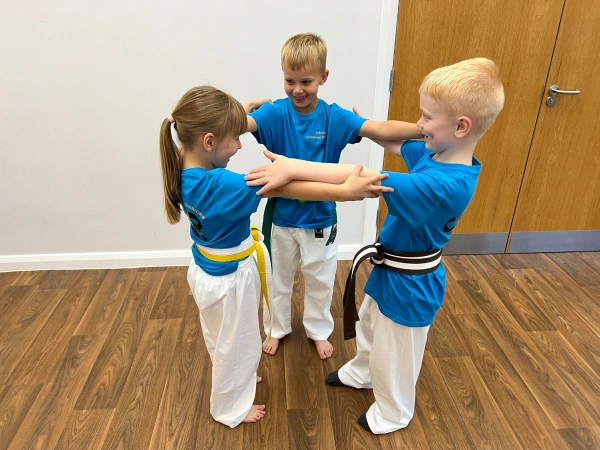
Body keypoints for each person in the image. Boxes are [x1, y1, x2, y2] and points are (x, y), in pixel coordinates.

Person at [246, 58, 505, 434]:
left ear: (461, 126)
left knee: (395, 352)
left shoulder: (446, 184)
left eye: (428, 118)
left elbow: (365, 177)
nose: (420, 125)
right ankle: (362, 372)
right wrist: (366, 127)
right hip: (391, 269)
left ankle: (393, 412)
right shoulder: (437, 155)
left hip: (412, 283)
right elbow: (400, 143)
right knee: (369, 326)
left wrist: (293, 167)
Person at [158, 85, 392, 428]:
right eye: (235, 139)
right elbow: (288, 186)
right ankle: (230, 408)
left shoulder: (180, 160)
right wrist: (343, 192)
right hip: (229, 280)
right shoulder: (221, 184)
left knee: (223, 337)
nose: (239, 145)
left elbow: (208, 132)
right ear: (208, 142)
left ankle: (238, 374)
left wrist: (239, 110)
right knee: (234, 342)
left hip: (207, 273)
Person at [245, 32, 423, 359]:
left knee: (321, 280)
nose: (297, 89)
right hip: (280, 220)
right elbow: (239, 125)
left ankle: (317, 329)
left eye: (306, 81)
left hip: (321, 220)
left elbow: (379, 129)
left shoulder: (334, 117)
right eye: (289, 80)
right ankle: (276, 327)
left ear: (323, 77)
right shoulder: (274, 113)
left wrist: (424, 128)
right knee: (277, 280)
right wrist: (243, 108)